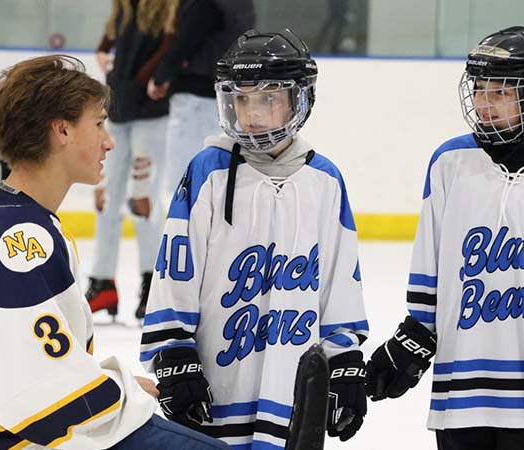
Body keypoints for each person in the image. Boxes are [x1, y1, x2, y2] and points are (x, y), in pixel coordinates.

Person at [0, 54, 231, 450]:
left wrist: (105, 381)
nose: (109, 140)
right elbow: (43, 400)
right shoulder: (19, 242)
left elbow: (18, 361)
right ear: (61, 131)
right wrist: (121, 393)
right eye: (99, 124)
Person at [363, 27, 524, 450]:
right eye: (481, 90)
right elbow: (429, 265)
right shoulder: (449, 163)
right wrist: (415, 335)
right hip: (458, 389)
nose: (484, 104)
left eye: (501, 93)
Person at [139, 30, 369, 449]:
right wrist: (173, 353)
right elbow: (176, 270)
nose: (252, 114)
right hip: (216, 385)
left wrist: (344, 359)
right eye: (241, 99)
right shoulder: (208, 170)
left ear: (300, 99)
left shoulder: (325, 181)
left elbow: (341, 280)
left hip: (290, 385)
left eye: (268, 99)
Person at [87, 0, 178, 320]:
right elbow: (106, 43)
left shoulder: (169, 8)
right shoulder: (123, 8)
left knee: (143, 200)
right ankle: (102, 282)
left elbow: (169, 51)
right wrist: (110, 69)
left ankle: (151, 283)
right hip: (118, 109)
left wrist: (136, 83)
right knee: (106, 196)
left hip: (150, 113)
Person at [146, 0, 254, 217]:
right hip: (224, 98)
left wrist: (161, 77)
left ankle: (184, 234)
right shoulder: (241, 6)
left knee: (184, 176)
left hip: (195, 97)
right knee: (214, 171)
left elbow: (185, 41)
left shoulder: (207, 4)